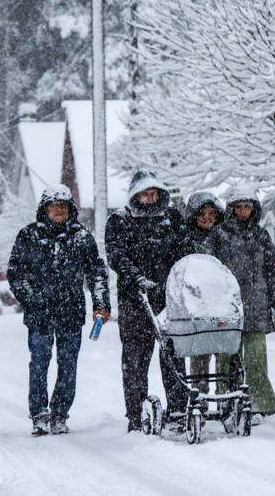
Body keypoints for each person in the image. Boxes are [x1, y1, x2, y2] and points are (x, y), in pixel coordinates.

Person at [6, 184, 110, 436]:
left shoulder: (81, 236)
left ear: (70, 209)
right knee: (39, 363)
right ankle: (39, 414)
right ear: (44, 209)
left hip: (71, 311)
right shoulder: (28, 235)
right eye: (54, 205)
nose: (58, 210)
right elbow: (15, 274)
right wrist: (32, 300)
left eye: (63, 205)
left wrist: (101, 304)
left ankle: (60, 414)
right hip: (39, 313)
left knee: (68, 365)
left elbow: (96, 272)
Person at [106, 170, 188, 432]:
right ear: (136, 195)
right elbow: (116, 255)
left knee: (173, 355)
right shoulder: (120, 220)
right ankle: (135, 414)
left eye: (154, 193)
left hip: (168, 297)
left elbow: (184, 248)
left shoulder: (172, 218)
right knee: (135, 360)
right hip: (135, 299)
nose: (150, 198)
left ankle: (177, 409)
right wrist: (137, 278)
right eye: (145, 193)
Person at [210, 185, 275, 421]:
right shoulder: (219, 234)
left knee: (255, 357)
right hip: (227, 304)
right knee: (225, 356)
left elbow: (272, 269)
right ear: (231, 209)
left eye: (248, 207)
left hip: (256, 303)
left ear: (254, 209)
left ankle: (259, 403)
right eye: (239, 207)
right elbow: (210, 269)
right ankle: (225, 401)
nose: (244, 212)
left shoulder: (261, 235)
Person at [176, 191, 225, 391]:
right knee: (200, 352)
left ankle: (228, 396)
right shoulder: (185, 239)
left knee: (225, 352)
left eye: (211, 213)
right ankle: (199, 396)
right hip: (196, 303)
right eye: (202, 213)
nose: (207, 217)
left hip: (220, 302)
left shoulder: (222, 238)